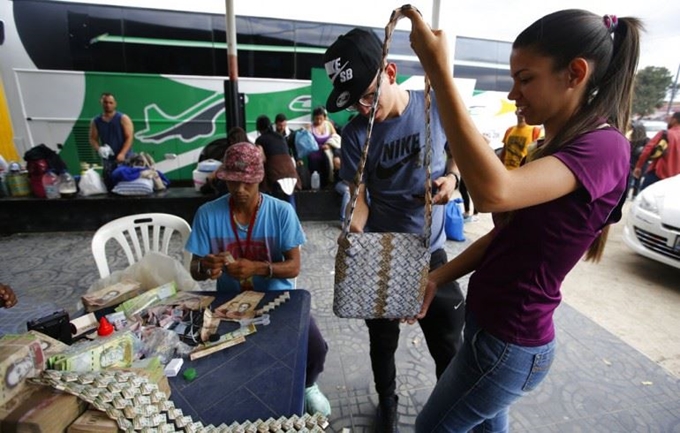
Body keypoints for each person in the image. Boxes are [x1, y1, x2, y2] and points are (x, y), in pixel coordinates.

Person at [404, 8, 639, 431]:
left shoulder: (605, 147)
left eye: (525, 78)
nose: (514, 93)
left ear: (575, 73)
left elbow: (495, 194)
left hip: (508, 343)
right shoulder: (556, 147)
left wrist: (439, 71)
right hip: (492, 333)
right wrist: (439, 277)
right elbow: (507, 236)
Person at [323, 28, 465, 431]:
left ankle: (448, 406)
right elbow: (361, 196)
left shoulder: (435, 107)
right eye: (355, 105)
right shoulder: (355, 135)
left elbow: (458, 153)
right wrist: (354, 229)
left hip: (431, 251)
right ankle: (387, 401)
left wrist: (452, 180)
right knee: (382, 342)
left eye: (369, 95)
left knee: (449, 344)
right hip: (382, 254)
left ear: (390, 71)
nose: (365, 110)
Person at [185, 142, 331, 417]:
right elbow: (194, 269)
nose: (239, 190)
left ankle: (308, 385)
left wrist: (259, 268)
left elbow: (294, 267)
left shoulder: (281, 212)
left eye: (246, 183)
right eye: (232, 182)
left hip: (279, 300)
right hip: (228, 304)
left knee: (316, 348)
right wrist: (206, 267)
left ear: (259, 179)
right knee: (226, 360)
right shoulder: (208, 214)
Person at [89, 93, 134, 191]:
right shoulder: (96, 121)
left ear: (115, 104)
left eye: (110, 102)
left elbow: (129, 137)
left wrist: (122, 153)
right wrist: (99, 149)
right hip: (108, 160)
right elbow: (92, 138)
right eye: (105, 102)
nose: (108, 105)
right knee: (109, 184)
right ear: (101, 103)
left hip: (125, 158)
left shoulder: (123, 118)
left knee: (126, 184)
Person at [255, 115, 301, 209]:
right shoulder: (280, 137)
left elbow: (262, 158)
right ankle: (292, 220)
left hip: (276, 172)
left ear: (259, 128)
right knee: (289, 197)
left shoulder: (260, 140)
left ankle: (275, 220)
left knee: (274, 198)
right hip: (290, 170)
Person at [633, 112, 680, 191]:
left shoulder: (666, 134)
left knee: (645, 199)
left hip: (658, 174)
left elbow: (647, 151)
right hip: (675, 180)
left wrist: (638, 166)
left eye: (671, 118)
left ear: (674, 120)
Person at [307, 106, 337, 188]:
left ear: (324, 117)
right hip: (314, 156)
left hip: (327, 154)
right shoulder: (310, 127)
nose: (319, 121)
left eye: (321, 118)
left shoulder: (329, 125)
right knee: (315, 175)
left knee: (327, 173)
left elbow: (335, 137)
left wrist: (329, 144)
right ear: (313, 118)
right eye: (316, 119)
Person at [627, 122, 648, 198]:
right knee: (629, 180)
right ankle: (628, 195)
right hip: (632, 163)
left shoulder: (646, 140)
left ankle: (634, 195)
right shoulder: (629, 139)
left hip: (640, 164)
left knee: (636, 181)